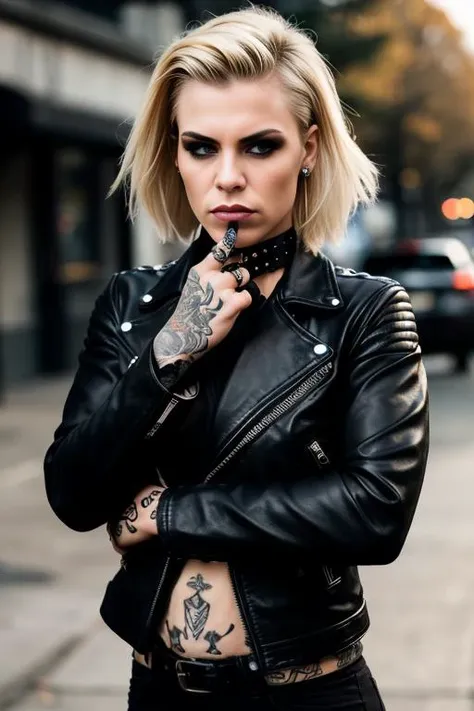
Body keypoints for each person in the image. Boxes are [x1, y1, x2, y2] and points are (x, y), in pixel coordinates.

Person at [44, 5, 429, 710]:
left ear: (308, 148)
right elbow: (72, 493)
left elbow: (374, 511)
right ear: (174, 151)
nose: (226, 178)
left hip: (310, 694)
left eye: (259, 146)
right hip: (158, 690)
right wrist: (167, 353)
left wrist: (169, 514)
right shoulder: (132, 306)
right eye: (200, 147)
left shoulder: (364, 312)